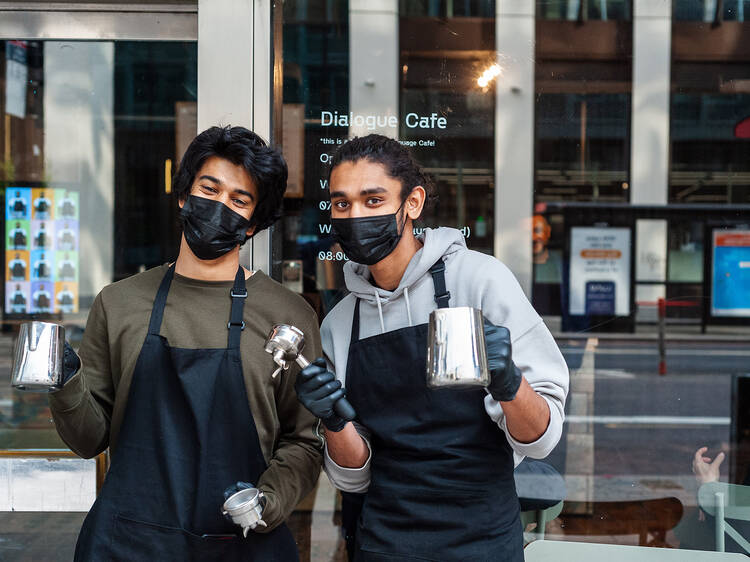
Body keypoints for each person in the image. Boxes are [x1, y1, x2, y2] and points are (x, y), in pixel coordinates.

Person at [48, 126, 323, 561]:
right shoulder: (120, 302)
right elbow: (89, 439)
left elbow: (305, 440)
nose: (219, 207)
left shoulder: (287, 315)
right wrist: (64, 380)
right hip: (127, 544)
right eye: (208, 189)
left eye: (239, 200)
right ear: (183, 196)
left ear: (252, 225)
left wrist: (266, 505)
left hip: (243, 542)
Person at [294, 135, 569, 561]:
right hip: (387, 542)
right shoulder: (340, 324)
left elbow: (541, 440)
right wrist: (331, 420)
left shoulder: (479, 281)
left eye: (373, 200)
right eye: (342, 204)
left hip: (483, 538)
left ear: (413, 202)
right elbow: (353, 479)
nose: (355, 215)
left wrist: (510, 382)